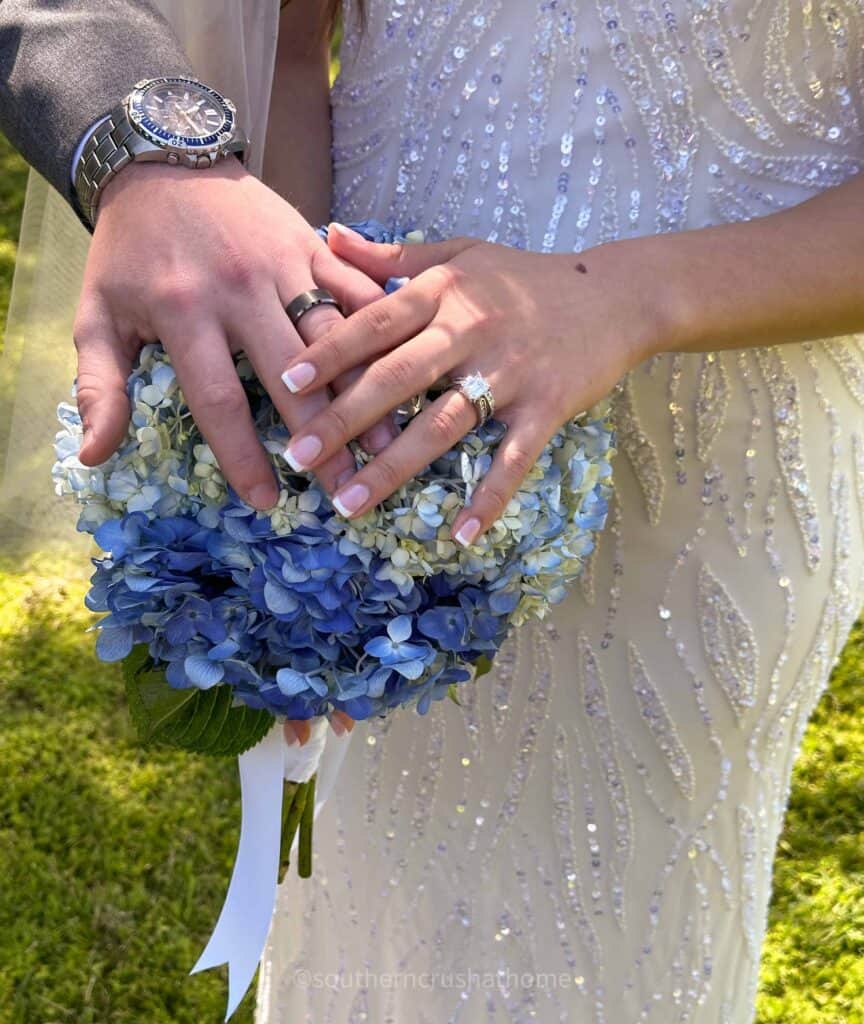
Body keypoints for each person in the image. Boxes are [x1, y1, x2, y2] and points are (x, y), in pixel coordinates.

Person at [1, 1, 863, 1021]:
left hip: (701, 456)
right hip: (367, 392)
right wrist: (298, 409)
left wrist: (622, 296)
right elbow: (290, 39)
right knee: (367, 914)